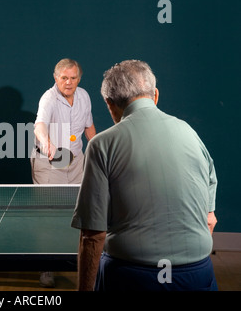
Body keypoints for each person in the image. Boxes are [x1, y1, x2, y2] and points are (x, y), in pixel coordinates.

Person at [71, 59, 218, 291]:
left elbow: (93, 235)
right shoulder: (190, 132)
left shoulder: (102, 144)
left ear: (110, 104)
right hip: (198, 272)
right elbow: (210, 218)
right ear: (155, 95)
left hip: (132, 275)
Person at [31, 58, 96, 287]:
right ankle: (46, 268)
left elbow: (88, 127)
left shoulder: (84, 96)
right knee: (49, 216)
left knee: (77, 215)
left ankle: (74, 263)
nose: (69, 83)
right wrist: (47, 143)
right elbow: (40, 124)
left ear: (79, 78)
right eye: (64, 78)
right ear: (56, 78)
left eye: (73, 78)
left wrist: (98, 148)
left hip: (76, 161)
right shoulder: (49, 98)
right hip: (50, 162)